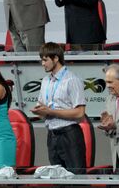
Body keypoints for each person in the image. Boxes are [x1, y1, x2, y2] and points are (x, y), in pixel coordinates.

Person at [30, 42, 86, 173]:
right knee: (57, 179)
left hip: (70, 135)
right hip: (52, 135)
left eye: (45, 60)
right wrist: (40, 111)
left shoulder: (72, 79)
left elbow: (80, 113)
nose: (42, 64)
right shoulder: (45, 81)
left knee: (77, 179)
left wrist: (50, 111)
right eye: (41, 60)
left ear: (56, 58)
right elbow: (43, 108)